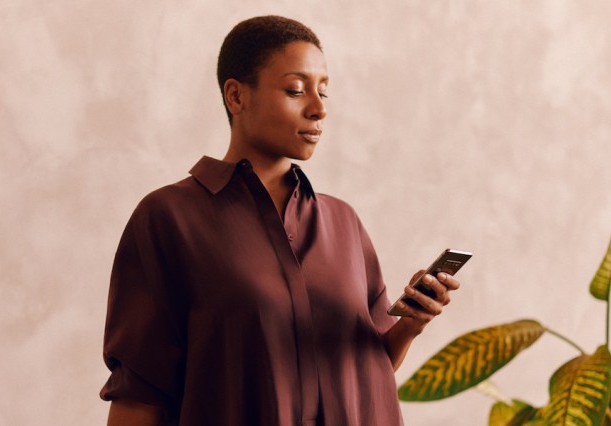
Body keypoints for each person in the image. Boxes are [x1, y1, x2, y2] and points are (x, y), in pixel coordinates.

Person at [100, 15, 461, 426]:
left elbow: (364, 368)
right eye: (296, 90)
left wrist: (411, 325)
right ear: (236, 97)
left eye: (324, 91)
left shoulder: (342, 221)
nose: (318, 108)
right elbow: (139, 390)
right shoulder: (169, 218)